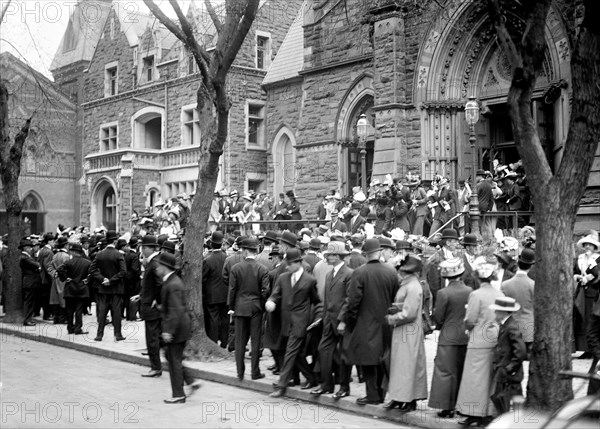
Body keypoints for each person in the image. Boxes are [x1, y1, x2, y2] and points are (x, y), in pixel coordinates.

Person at [340, 238, 399, 405]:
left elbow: (353, 302)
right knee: (382, 358)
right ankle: (381, 394)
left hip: (365, 323)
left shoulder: (359, 272)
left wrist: (351, 323)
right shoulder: (391, 271)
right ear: (380, 252)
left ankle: (372, 395)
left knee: (367, 361)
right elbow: (396, 297)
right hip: (386, 322)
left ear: (365, 254)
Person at [456, 256, 505, 426]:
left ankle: (473, 413)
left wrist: (468, 327)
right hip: (495, 337)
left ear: (478, 276)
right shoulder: (500, 294)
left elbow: (470, 320)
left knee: (475, 377)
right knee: (490, 378)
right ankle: (488, 412)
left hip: (478, 339)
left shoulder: (476, 295)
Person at [267, 248, 320, 398]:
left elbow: (316, 301)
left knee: (290, 352)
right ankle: (312, 377)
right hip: (285, 322)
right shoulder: (283, 278)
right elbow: (275, 294)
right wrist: (271, 301)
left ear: (298, 263)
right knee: (296, 354)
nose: (287, 266)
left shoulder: (310, 280)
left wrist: (316, 318)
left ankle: (281, 385)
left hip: (300, 323)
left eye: (290, 264)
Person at [384, 255, 428, 413]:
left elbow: (409, 313)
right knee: (400, 364)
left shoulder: (413, 286)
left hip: (408, 330)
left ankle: (408, 398)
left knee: (407, 365)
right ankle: (399, 397)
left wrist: (392, 318)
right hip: (403, 330)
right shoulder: (408, 284)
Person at [428, 258, 472, 418]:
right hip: (465, 336)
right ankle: (461, 405)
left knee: (445, 372)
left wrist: (439, 325)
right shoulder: (469, 291)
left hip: (448, 336)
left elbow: (438, 317)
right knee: (461, 371)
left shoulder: (443, 293)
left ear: (446, 276)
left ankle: (447, 407)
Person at [156, 252, 200, 403]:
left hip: (178, 327)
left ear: (164, 267)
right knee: (172, 357)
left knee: (173, 360)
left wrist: (168, 330)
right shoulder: (172, 281)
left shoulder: (173, 284)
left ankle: (178, 394)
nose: (156, 268)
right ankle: (190, 381)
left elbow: (175, 310)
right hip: (181, 325)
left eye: (158, 265)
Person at [311, 242, 353, 399]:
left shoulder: (349, 274)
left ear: (338, 256)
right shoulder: (329, 274)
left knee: (344, 354)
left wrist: (343, 319)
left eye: (330, 255)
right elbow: (328, 299)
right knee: (323, 350)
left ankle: (344, 387)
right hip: (329, 319)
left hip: (342, 321)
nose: (327, 257)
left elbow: (350, 299)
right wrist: (324, 317)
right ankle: (326, 384)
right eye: (327, 254)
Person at [228, 238, 270, 381]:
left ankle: (240, 373)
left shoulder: (236, 268)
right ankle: (255, 372)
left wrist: (231, 307)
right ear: (256, 251)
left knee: (240, 341)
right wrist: (262, 304)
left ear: (245, 251)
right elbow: (265, 291)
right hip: (256, 307)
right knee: (255, 340)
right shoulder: (262, 269)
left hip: (240, 307)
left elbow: (232, 290)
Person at [489, 297, 527, 415]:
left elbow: (520, 350)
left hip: (509, 372)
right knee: (503, 398)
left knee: (506, 399)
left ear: (503, 312)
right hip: (506, 370)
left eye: (496, 310)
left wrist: (510, 367)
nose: (494, 313)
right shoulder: (506, 324)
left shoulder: (511, 326)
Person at [131, 235, 163, 377]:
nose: (142, 250)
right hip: (151, 305)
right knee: (156, 338)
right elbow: (151, 285)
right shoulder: (154, 262)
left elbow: (161, 284)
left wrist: (158, 300)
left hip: (152, 309)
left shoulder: (154, 263)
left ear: (147, 248)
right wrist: (142, 295)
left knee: (152, 339)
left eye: (143, 247)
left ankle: (156, 367)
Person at [89, 230, 127, 342]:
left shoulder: (100, 254)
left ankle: (99, 335)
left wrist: (102, 279)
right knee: (116, 312)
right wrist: (111, 280)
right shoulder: (118, 254)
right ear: (115, 241)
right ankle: (118, 334)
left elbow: (92, 270)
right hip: (116, 288)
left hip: (103, 288)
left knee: (102, 312)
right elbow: (123, 272)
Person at [501, 248, 535, 357]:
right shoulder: (533, 285)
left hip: (511, 329)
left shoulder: (505, 285)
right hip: (529, 328)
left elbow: (502, 309)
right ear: (530, 266)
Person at [574, 233, 600, 358]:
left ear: (595, 247)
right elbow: (574, 272)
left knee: (591, 319)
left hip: (593, 293)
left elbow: (597, 273)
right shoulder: (579, 258)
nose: (588, 247)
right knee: (581, 318)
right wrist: (578, 277)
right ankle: (584, 348)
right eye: (586, 244)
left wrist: (591, 264)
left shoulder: (598, 259)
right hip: (581, 292)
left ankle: (593, 349)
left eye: (591, 245)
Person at [57, 243, 91, 335]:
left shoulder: (69, 262)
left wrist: (65, 278)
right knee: (79, 310)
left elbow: (59, 270)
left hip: (70, 288)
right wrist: (88, 280)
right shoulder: (87, 262)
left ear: (73, 252)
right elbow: (93, 272)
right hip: (82, 288)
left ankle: (70, 328)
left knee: (70, 310)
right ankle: (78, 328)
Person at [202, 231, 229, 348]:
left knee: (213, 320)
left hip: (212, 295)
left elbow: (203, 279)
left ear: (212, 244)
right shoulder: (227, 258)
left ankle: (213, 343)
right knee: (225, 319)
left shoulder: (208, 260)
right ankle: (224, 343)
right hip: (225, 294)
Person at [20, 238, 41, 326]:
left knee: (31, 302)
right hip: (30, 282)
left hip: (31, 281)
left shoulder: (27, 257)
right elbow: (36, 264)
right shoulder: (24, 257)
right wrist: (38, 267)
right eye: (29, 247)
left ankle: (29, 318)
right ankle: (27, 319)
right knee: (29, 302)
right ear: (25, 248)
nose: (30, 249)